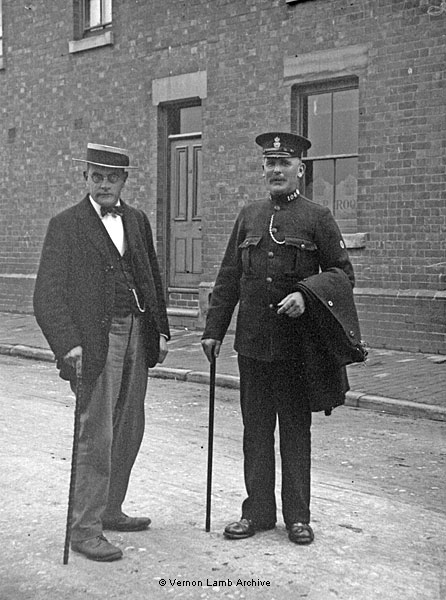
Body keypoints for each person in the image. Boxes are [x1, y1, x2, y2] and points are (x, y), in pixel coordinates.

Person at [201, 132, 366, 545]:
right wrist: (213, 331)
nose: (277, 170)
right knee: (255, 432)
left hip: (296, 349)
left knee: (294, 431)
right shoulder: (249, 216)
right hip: (253, 345)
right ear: (263, 170)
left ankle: (298, 517)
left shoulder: (318, 217)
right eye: (270, 163)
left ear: (300, 170)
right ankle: (257, 513)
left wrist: (306, 295)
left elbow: (343, 274)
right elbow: (229, 277)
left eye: (284, 163)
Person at [34, 143, 170, 562]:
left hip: (137, 333)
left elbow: (151, 276)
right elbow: (46, 295)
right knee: (97, 435)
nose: (104, 184)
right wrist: (68, 345)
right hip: (96, 340)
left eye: (112, 177)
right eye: (97, 176)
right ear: (86, 178)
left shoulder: (137, 220)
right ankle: (84, 529)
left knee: (129, 429)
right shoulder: (66, 224)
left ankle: (111, 509)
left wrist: (161, 330)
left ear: (124, 180)